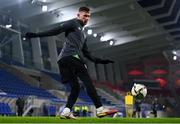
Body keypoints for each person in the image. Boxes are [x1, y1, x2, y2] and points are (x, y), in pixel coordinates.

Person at [25, 6, 118, 119]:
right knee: (88, 82)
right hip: (71, 57)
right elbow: (57, 30)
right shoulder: (73, 24)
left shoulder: (83, 35)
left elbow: (87, 54)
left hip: (63, 60)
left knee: (76, 88)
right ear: (78, 15)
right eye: (84, 16)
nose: (86, 18)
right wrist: (36, 35)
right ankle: (100, 109)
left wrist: (101, 61)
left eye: (88, 16)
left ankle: (66, 111)